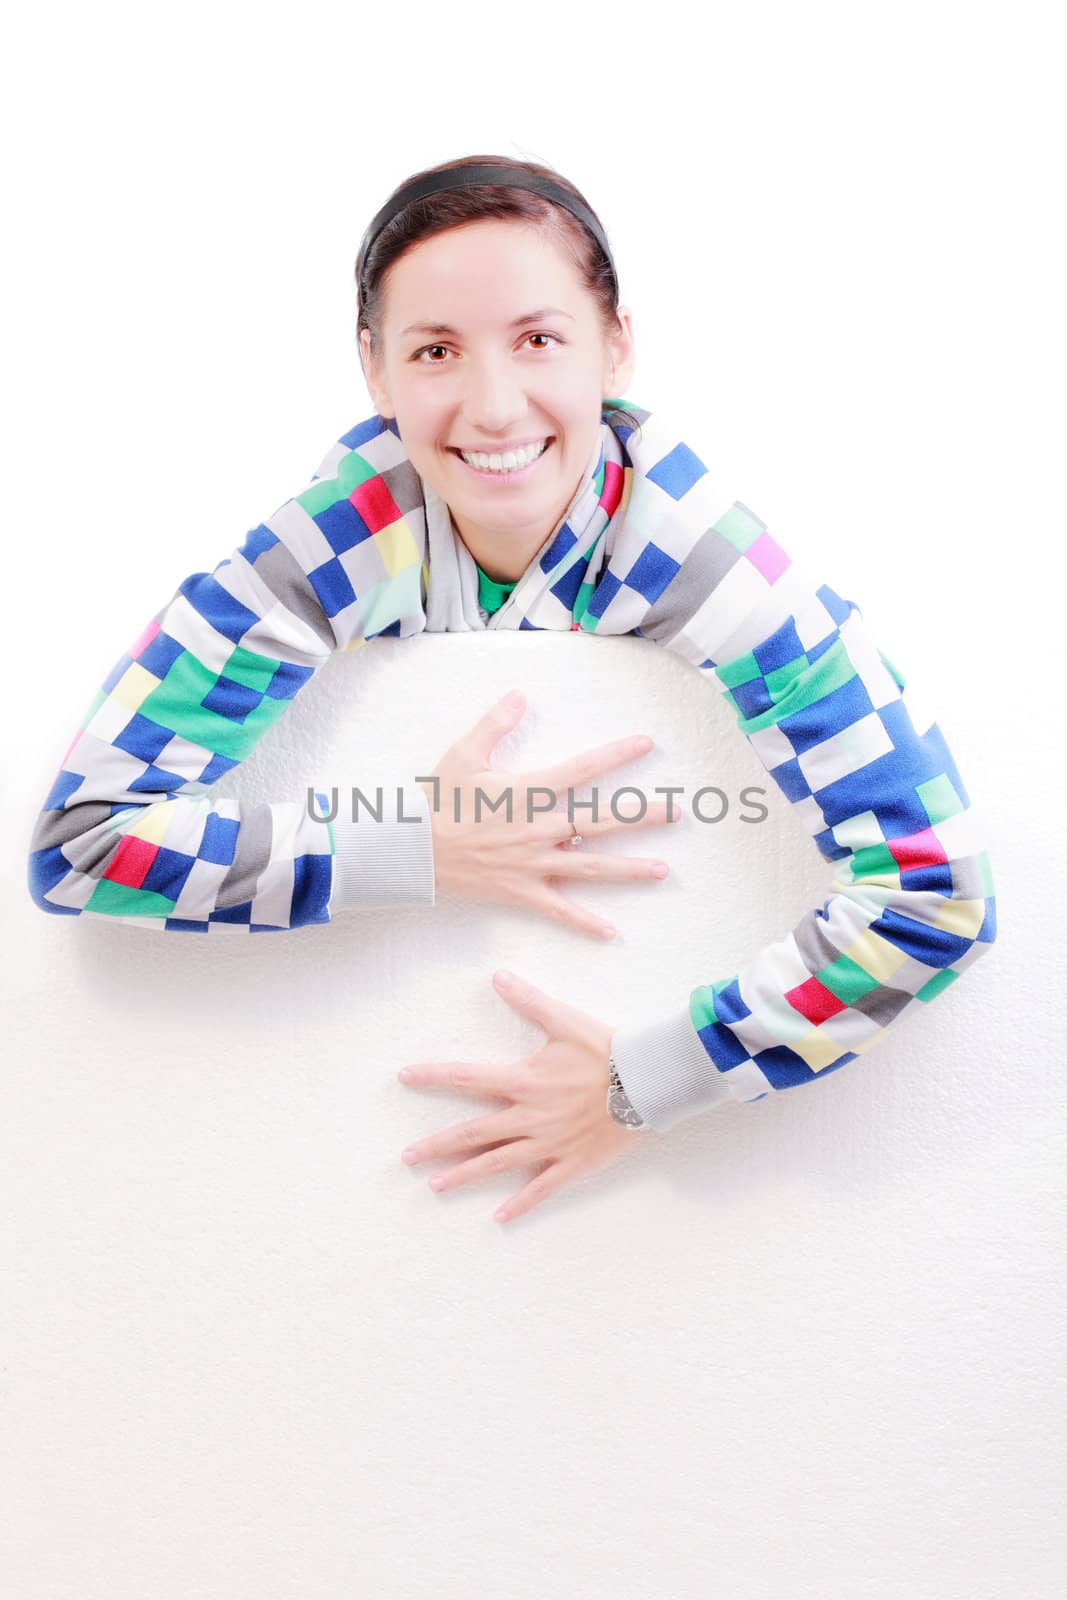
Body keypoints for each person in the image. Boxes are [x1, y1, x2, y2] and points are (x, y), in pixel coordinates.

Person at [27, 154, 998, 1224]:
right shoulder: (340, 534)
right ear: (374, 372)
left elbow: (930, 891)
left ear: (614, 346)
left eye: (537, 339)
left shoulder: (705, 560)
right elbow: (82, 840)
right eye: (435, 350)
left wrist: (650, 1078)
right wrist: (412, 843)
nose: (493, 409)